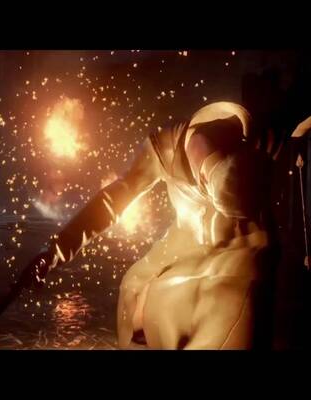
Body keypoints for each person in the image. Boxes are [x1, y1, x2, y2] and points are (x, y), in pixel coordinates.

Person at [21, 101, 311, 349]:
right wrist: (56, 251)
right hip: (172, 273)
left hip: (234, 279)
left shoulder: (262, 140)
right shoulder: (165, 147)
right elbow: (112, 201)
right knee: (135, 294)